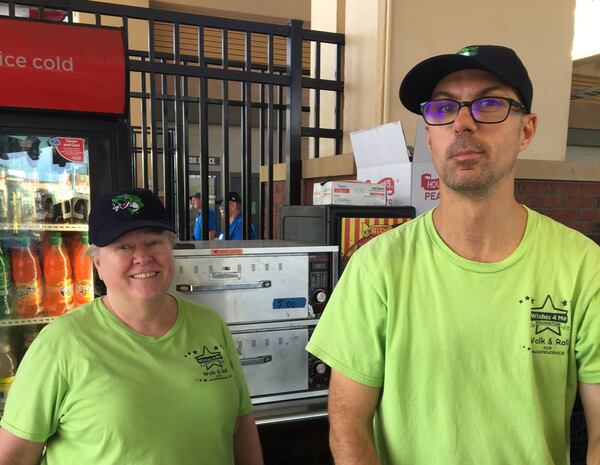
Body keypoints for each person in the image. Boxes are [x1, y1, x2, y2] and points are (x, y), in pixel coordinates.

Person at [306, 45, 600, 465]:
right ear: (429, 133)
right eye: (443, 109)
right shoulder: (377, 266)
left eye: (490, 104)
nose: (462, 122)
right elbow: (348, 424)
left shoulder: (583, 266)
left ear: (527, 130)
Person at [0, 187, 264, 465]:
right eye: (123, 246)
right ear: (97, 262)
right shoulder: (60, 343)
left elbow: (241, 426)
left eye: (154, 242)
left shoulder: (210, 325)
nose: (143, 256)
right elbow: (13, 458)